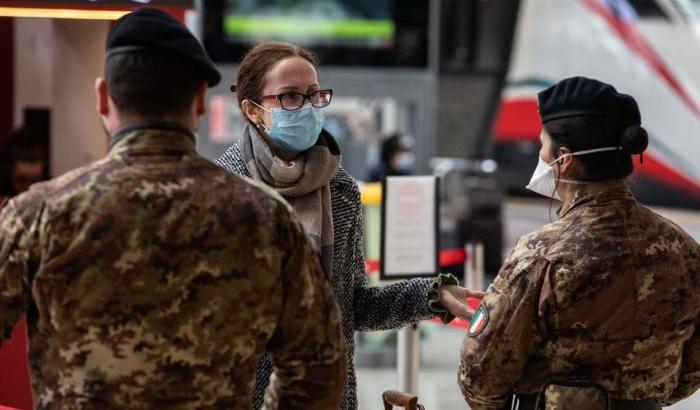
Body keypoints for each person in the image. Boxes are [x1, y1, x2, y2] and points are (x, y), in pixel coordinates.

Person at [0, 9, 346, 409]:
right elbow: (319, 368)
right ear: (201, 100)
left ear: (102, 97)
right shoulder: (265, 218)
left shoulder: (37, 215)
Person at [215, 41, 483, 409]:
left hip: (328, 396)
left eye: (313, 95)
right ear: (253, 109)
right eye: (290, 97)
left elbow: (354, 305)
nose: (307, 107)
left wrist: (431, 295)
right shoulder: (221, 192)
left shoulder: (340, 190)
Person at [459, 77, 700, 410]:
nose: (539, 155)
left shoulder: (542, 255)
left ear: (564, 159)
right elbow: (692, 367)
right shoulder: (683, 250)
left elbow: (481, 376)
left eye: (542, 146)